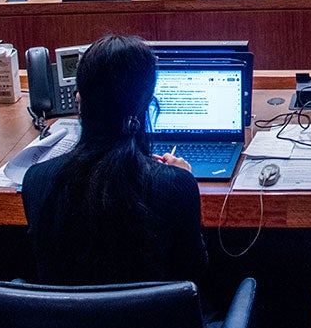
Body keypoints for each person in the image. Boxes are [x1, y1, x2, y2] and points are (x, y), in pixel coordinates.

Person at [20, 33, 204, 286]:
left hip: (64, 325)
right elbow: (195, 275)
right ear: (148, 105)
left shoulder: (36, 179)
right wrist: (185, 181)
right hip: (155, 324)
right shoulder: (175, 184)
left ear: (79, 101)